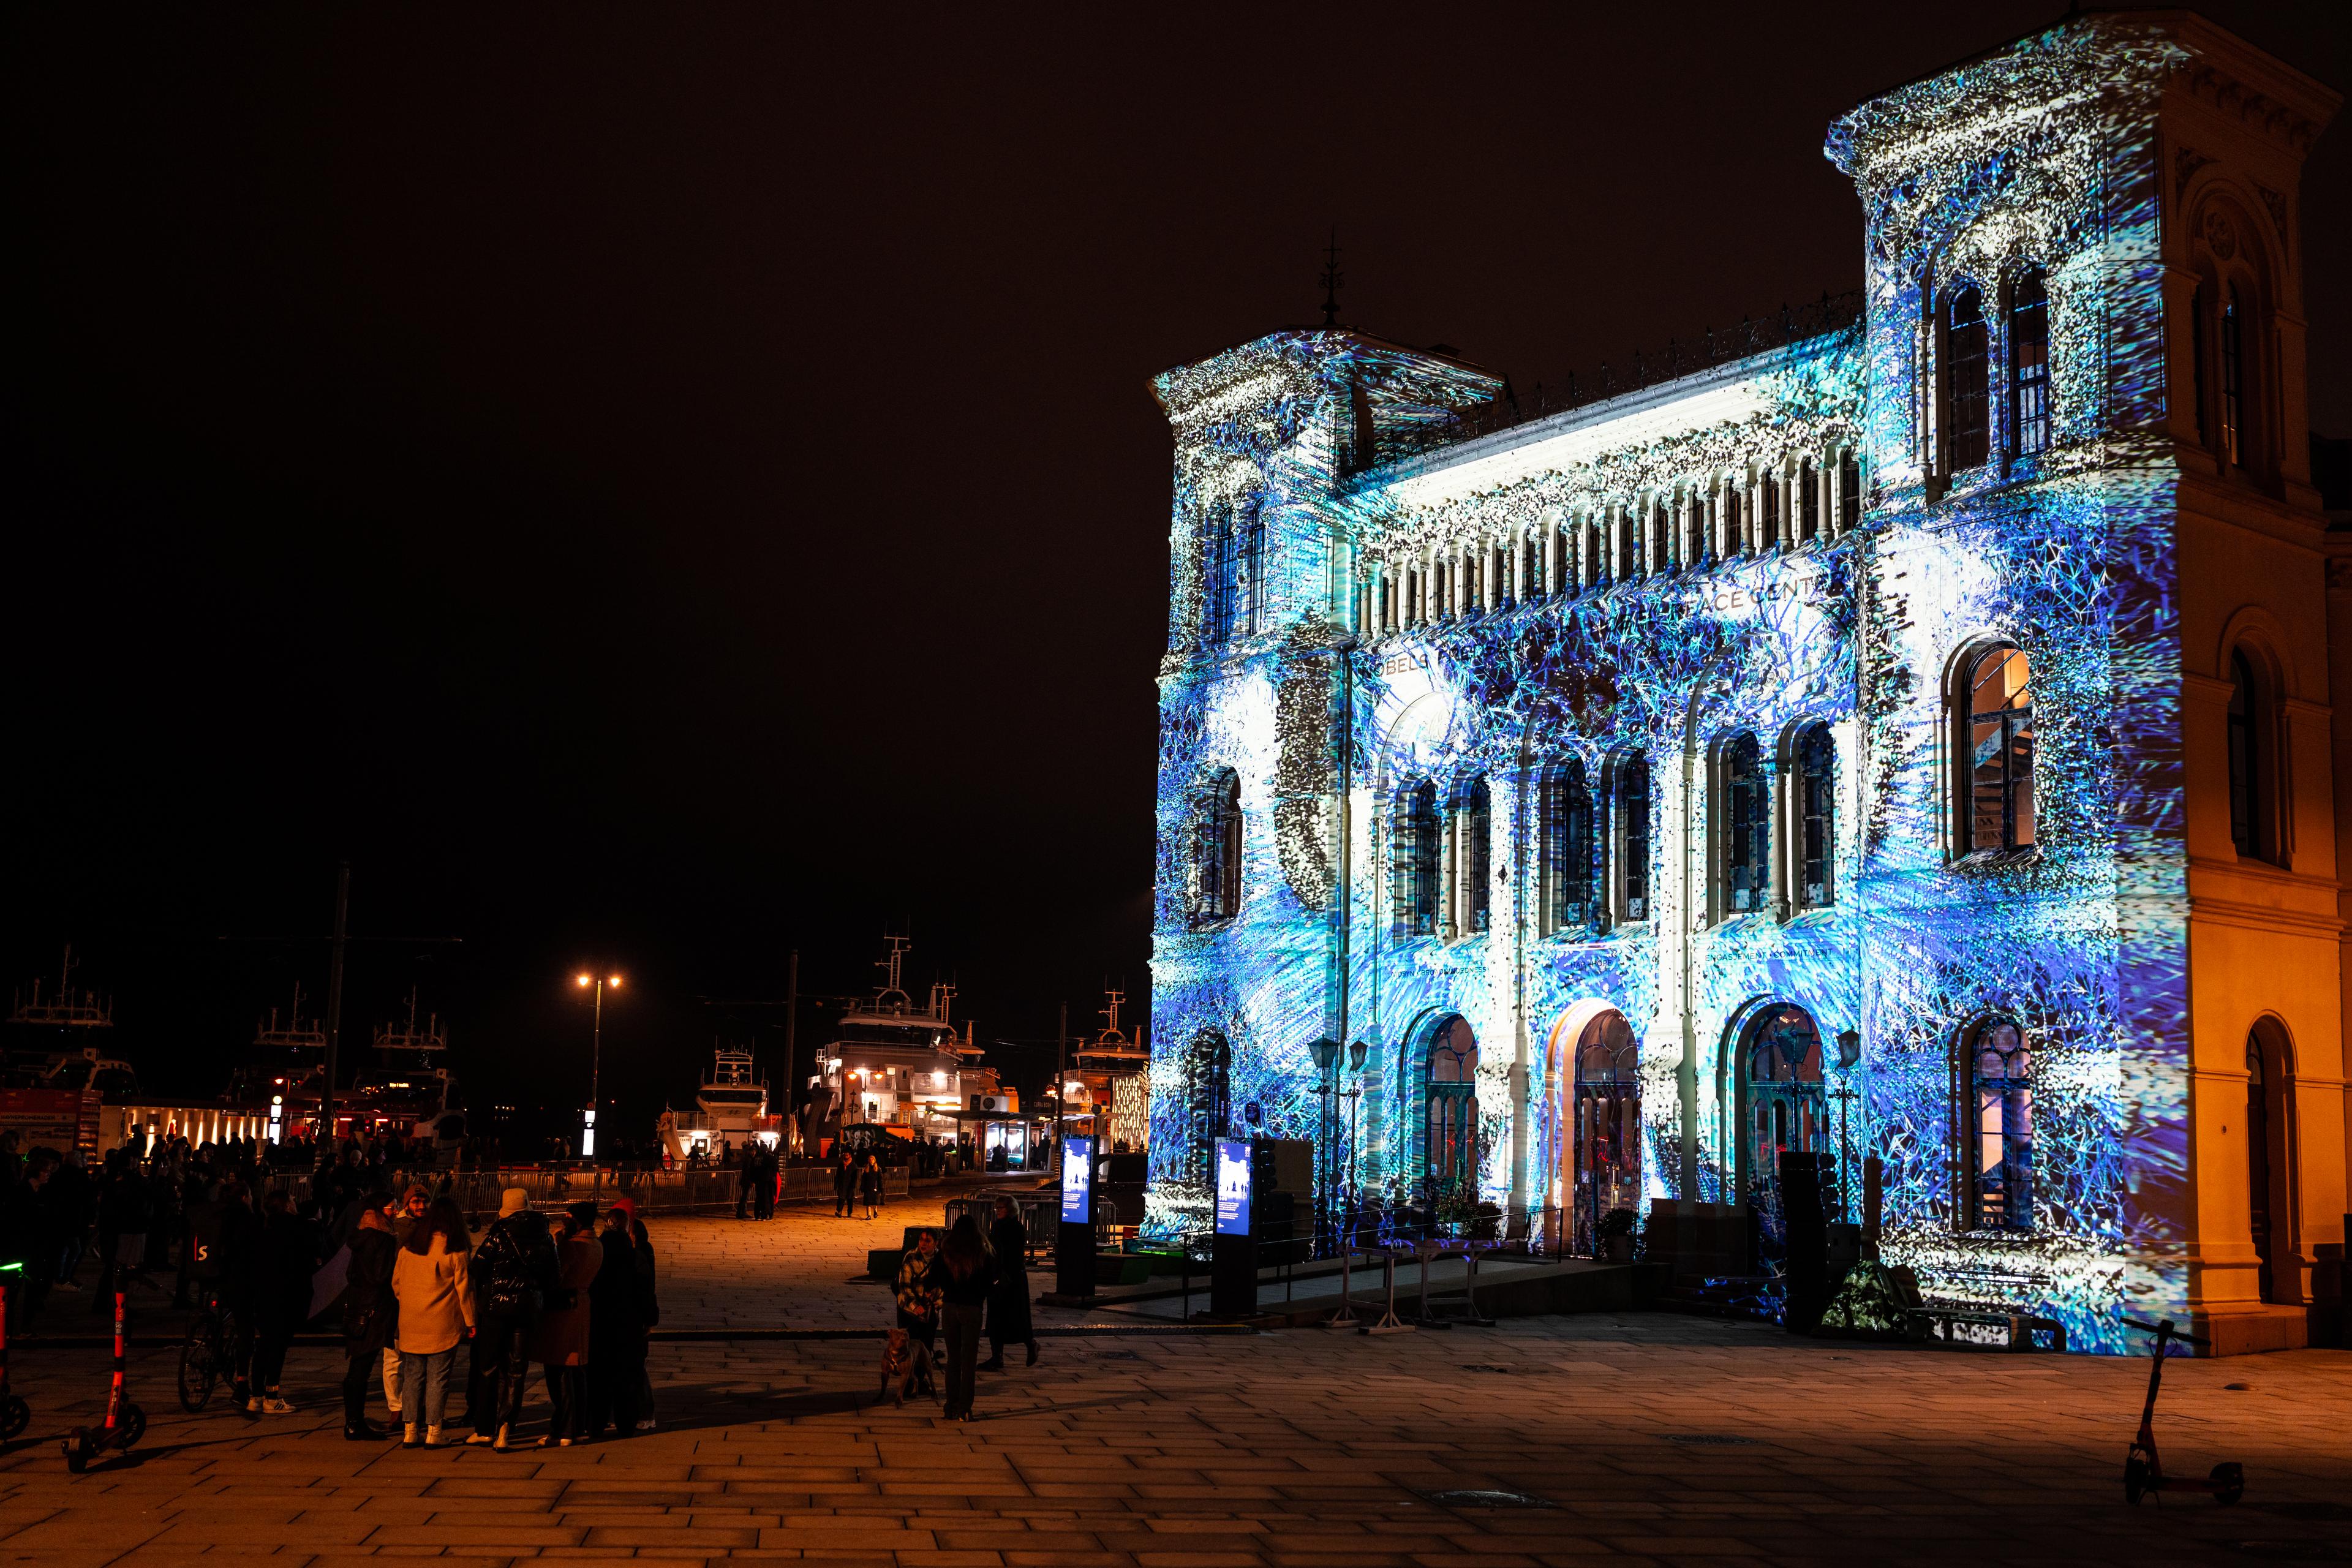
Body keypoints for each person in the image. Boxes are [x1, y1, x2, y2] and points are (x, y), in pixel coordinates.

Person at [467, 1189, 556, 1449]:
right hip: (527, 1311)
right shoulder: (545, 1236)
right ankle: (506, 1428)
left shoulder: (498, 1236)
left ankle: (485, 1429)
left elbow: (477, 1269)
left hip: (496, 1310)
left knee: (489, 1368)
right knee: (517, 1370)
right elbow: (554, 1275)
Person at [391, 1196, 474, 1447]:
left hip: (411, 1321)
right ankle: (434, 1431)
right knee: (438, 1378)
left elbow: (396, 1284)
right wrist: (471, 1321)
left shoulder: (409, 1248)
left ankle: (410, 1429)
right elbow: (465, 1291)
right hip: (441, 1323)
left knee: (413, 1376)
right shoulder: (455, 1251)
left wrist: (409, 1302)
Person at [530, 1210, 600, 1447]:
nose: (564, 1219)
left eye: (569, 1216)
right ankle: (577, 1427)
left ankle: (563, 1429)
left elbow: (554, 1276)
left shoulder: (571, 1246)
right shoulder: (596, 1244)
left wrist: (557, 1245)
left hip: (562, 1310)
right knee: (576, 1370)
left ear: (577, 1221)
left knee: (559, 1368)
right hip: (581, 1306)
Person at [582, 1206, 646, 1439]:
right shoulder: (634, 1255)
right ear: (627, 1227)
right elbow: (645, 1292)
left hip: (599, 1321)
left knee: (598, 1377)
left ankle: (595, 1424)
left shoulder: (597, 1251)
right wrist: (649, 1319)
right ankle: (626, 1424)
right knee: (626, 1377)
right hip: (627, 1323)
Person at [252, 1189, 317, 1412]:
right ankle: (272, 1396)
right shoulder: (297, 1227)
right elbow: (308, 1260)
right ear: (286, 1205)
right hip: (288, 1294)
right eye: (292, 1199)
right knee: (278, 1346)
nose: (295, 1201)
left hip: (263, 1294)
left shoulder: (263, 1228)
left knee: (264, 1343)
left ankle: (256, 1395)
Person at [341, 1191, 399, 1439]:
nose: (395, 1212)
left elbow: (352, 1274)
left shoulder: (360, 1238)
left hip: (357, 1309)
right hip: (375, 1311)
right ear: (378, 1212)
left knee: (357, 1367)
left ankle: (353, 1420)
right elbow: (381, 1277)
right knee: (361, 1369)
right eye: (391, 1208)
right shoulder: (382, 1240)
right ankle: (354, 1423)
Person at [936, 1215, 993, 1422]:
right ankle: (965, 1409)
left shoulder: (946, 1250)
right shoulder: (982, 1252)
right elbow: (992, 1279)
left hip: (950, 1308)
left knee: (953, 1359)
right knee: (969, 1362)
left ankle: (949, 1406)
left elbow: (935, 1277)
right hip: (972, 1309)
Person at [980, 1196, 1038, 1371]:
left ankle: (1030, 1344)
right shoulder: (998, 1226)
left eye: (1001, 1207)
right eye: (996, 1207)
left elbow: (1008, 1254)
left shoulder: (1014, 1228)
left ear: (1010, 1209)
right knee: (997, 1318)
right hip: (1002, 1277)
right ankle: (997, 1356)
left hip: (1010, 1279)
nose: (998, 1210)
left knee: (1013, 1317)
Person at [891, 1228, 941, 1398]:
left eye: (928, 1241)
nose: (923, 1244)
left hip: (929, 1311)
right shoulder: (911, 1258)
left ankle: (920, 1381)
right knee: (908, 1347)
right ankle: (908, 1383)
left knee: (925, 1348)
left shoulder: (941, 1260)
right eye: (921, 1240)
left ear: (936, 1243)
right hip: (908, 1309)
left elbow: (945, 1286)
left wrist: (936, 1304)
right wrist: (915, 1306)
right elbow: (904, 1287)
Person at [832, 1149, 855, 1218]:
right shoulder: (841, 1164)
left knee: (850, 1200)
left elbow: (855, 1176)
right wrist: (836, 1184)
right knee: (841, 1199)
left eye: (847, 1155)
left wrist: (853, 1185)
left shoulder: (853, 1165)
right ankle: (839, 1211)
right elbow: (838, 1175)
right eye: (845, 1155)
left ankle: (849, 1213)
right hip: (842, 1184)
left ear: (850, 1156)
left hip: (850, 1185)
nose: (846, 1156)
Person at [859, 1154, 884, 1220]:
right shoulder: (866, 1168)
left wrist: (881, 1188)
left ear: (874, 1160)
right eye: (870, 1160)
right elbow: (863, 1179)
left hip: (875, 1188)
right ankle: (869, 1215)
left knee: (875, 1202)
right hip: (868, 1188)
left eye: (872, 1159)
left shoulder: (878, 1169)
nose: (871, 1161)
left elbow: (880, 1179)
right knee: (868, 1203)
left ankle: (875, 1211)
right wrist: (862, 1187)